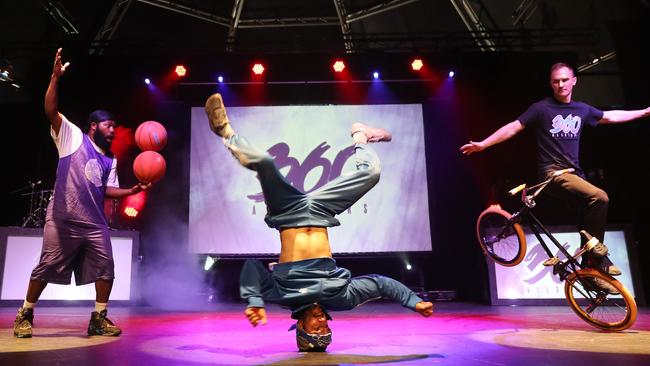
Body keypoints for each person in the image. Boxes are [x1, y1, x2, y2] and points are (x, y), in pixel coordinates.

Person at [205, 93, 434, 352]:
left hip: (288, 212)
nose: (323, 321)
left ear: (300, 326)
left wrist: (254, 299)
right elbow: (380, 284)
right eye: (326, 326)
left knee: (265, 163)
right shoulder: (342, 298)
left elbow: (251, 268)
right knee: (371, 173)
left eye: (317, 328)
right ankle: (361, 137)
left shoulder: (283, 297)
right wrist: (413, 301)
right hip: (321, 211)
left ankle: (225, 131)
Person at [460, 62, 649, 281]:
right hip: (553, 175)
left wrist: (644, 112)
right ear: (550, 83)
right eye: (556, 81)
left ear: (574, 81)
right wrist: (484, 144)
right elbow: (513, 127)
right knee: (600, 197)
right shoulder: (541, 109)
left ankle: (589, 271)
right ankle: (596, 258)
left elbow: (610, 116)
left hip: (575, 174)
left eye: (565, 80)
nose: (561, 85)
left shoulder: (582, 110)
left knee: (586, 217)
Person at [13, 48, 151, 338]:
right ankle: (25, 313)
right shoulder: (72, 136)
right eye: (108, 125)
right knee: (47, 266)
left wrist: (132, 189)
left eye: (114, 126)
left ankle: (98, 318)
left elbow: (108, 190)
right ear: (93, 127)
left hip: (94, 223)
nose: (113, 130)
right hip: (63, 218)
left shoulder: (110, 159)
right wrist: (54, 78)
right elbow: (51, 111)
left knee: (106, 268)